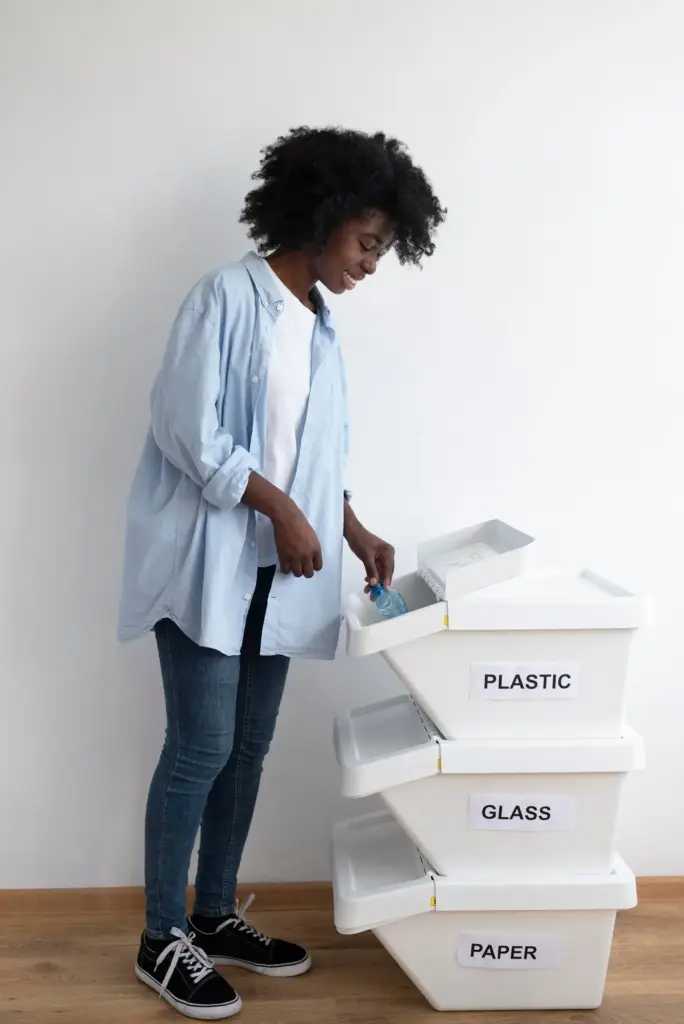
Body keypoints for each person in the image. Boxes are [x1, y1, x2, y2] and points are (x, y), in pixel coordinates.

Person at [118, 126, 445, 1019]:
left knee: (248, 748)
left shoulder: (319, 328)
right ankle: (160, 937)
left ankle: (215, 916)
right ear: (322, 216)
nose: (371, 263)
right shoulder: (225, 297)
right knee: (200, 748)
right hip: (207, 563)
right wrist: (281, 511)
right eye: (367, 242)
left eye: (383, 247)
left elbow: (310, 456)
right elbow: (186, 429)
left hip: (278, 572)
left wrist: (349, 525)